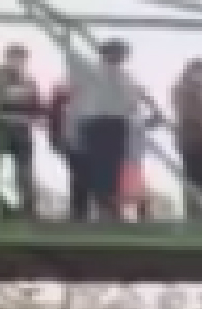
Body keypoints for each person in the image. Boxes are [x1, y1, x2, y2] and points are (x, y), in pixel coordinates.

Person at [64, 41, 137, 223]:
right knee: (96, 168)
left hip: (117, 124)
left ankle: (107, 210)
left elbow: (131, 103)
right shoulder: (92, 72)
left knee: (112, 168)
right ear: (106, 54)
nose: (119, 58)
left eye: (121, 54)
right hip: (97, 124)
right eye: (116, 53)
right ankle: (94, 211)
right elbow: (79, 100)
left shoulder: (125, 77)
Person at [169, 61, 202, 220]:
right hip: (192, 140)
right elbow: (185, 110)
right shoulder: (181, 88)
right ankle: (193, 215)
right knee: (193, 178)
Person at [0, 47, 41, 218]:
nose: (17, 62)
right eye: (14, 58)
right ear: (7, 58)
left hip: (21, 129)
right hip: (0, 129)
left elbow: (35, 106)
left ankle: (28, 209)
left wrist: (32, 116)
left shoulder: (28, 82)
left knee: (24, 170)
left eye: (21, 59)